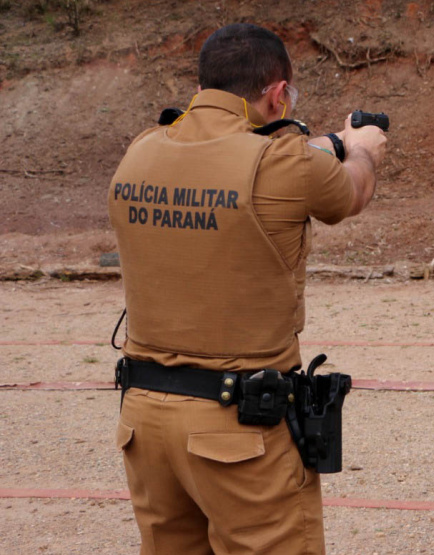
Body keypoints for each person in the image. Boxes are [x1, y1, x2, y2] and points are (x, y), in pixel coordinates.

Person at [107, 23, 386, 554]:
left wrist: (321, 143)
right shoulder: (284, 163)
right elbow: (352, 191)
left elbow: (238, 160)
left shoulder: (141, 151)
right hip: (237, 430)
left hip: (144, 419)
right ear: (279, 93)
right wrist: (362, 147)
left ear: (202, 87)